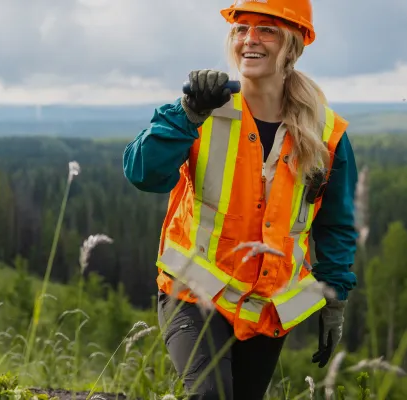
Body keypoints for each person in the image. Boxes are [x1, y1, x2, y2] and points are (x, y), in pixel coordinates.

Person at [122, 0, 359, 399]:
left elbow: (335, 223)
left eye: (266, 29)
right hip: (192, 294)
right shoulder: (201, 108)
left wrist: (334, 297)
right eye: (241, 29)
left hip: (267, 309)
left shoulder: (326, 133)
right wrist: (188, 114)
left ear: (294, 43)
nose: (250, 39)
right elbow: (143, 174)